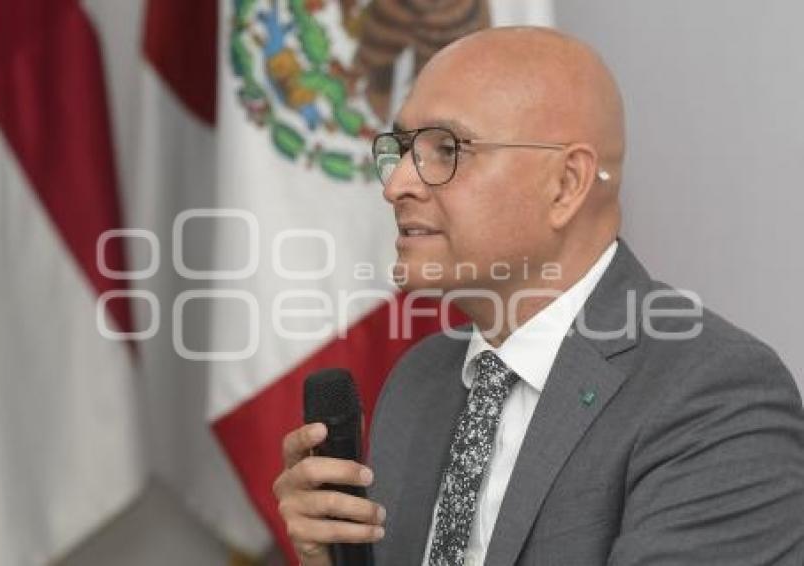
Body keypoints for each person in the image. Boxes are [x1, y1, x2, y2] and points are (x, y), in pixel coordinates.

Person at [273, 26, 804, 565]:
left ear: (566, 185)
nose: (396, 186)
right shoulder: (419, 380)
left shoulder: (715, 396)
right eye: (403, 150)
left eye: (446, 149)